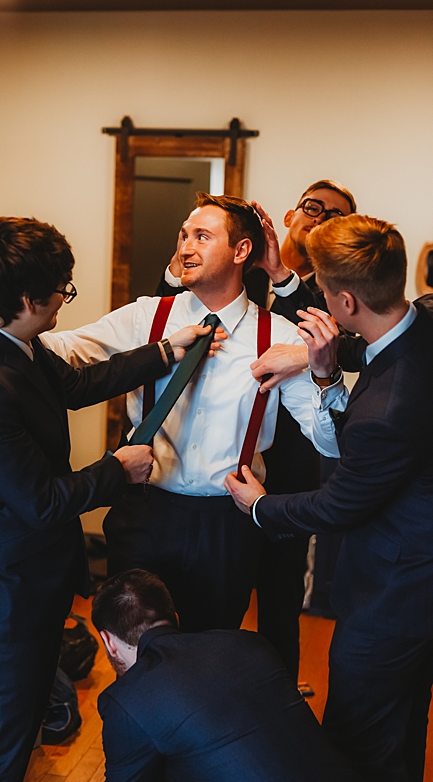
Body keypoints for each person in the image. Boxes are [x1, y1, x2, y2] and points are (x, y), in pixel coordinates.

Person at [0, 216, 229, 782]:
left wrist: (165, 350)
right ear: (29, 297)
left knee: (12, 753)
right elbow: (37, 500)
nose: (66, 299)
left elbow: (68, 386)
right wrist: (116, 469)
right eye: (61, 288)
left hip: (29, 585)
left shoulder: (7, 340)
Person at [226, 214, 433, 782]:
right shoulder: (422, 322)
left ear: (345, 303)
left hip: (395, 596)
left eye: (320, 289)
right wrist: (319, 367)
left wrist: (259, 506)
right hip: (414, 578)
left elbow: (340, 503)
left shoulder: (391, 403)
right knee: (395, 750)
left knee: (356, 745)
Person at [39, 194, 344, 635]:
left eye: (202, 236)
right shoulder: (148, 316)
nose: (186, 246)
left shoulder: (278, 334)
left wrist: (324, 373)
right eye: (184, 235)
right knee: (133, 649)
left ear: (241, 251)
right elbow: (64, 351)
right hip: (145, 512)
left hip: (226, 526)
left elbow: (330, 441)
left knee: (210, 652)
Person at [153, 183, 357, 685]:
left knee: (282, 591)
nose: (321, 218)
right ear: (289, 215)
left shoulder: (323, 285)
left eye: (336, 215)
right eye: (314, 207)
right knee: (207, 603)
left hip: (290, 464)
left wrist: (281, 275)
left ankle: (277, 691)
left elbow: (323, 340)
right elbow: (171, 313)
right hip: (220, 470)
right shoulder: (224, 265)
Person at [87, 569, 391, 782]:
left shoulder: (128, 698)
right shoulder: (248, 642)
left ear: (108, 640)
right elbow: (265, 764)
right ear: (173, 617)